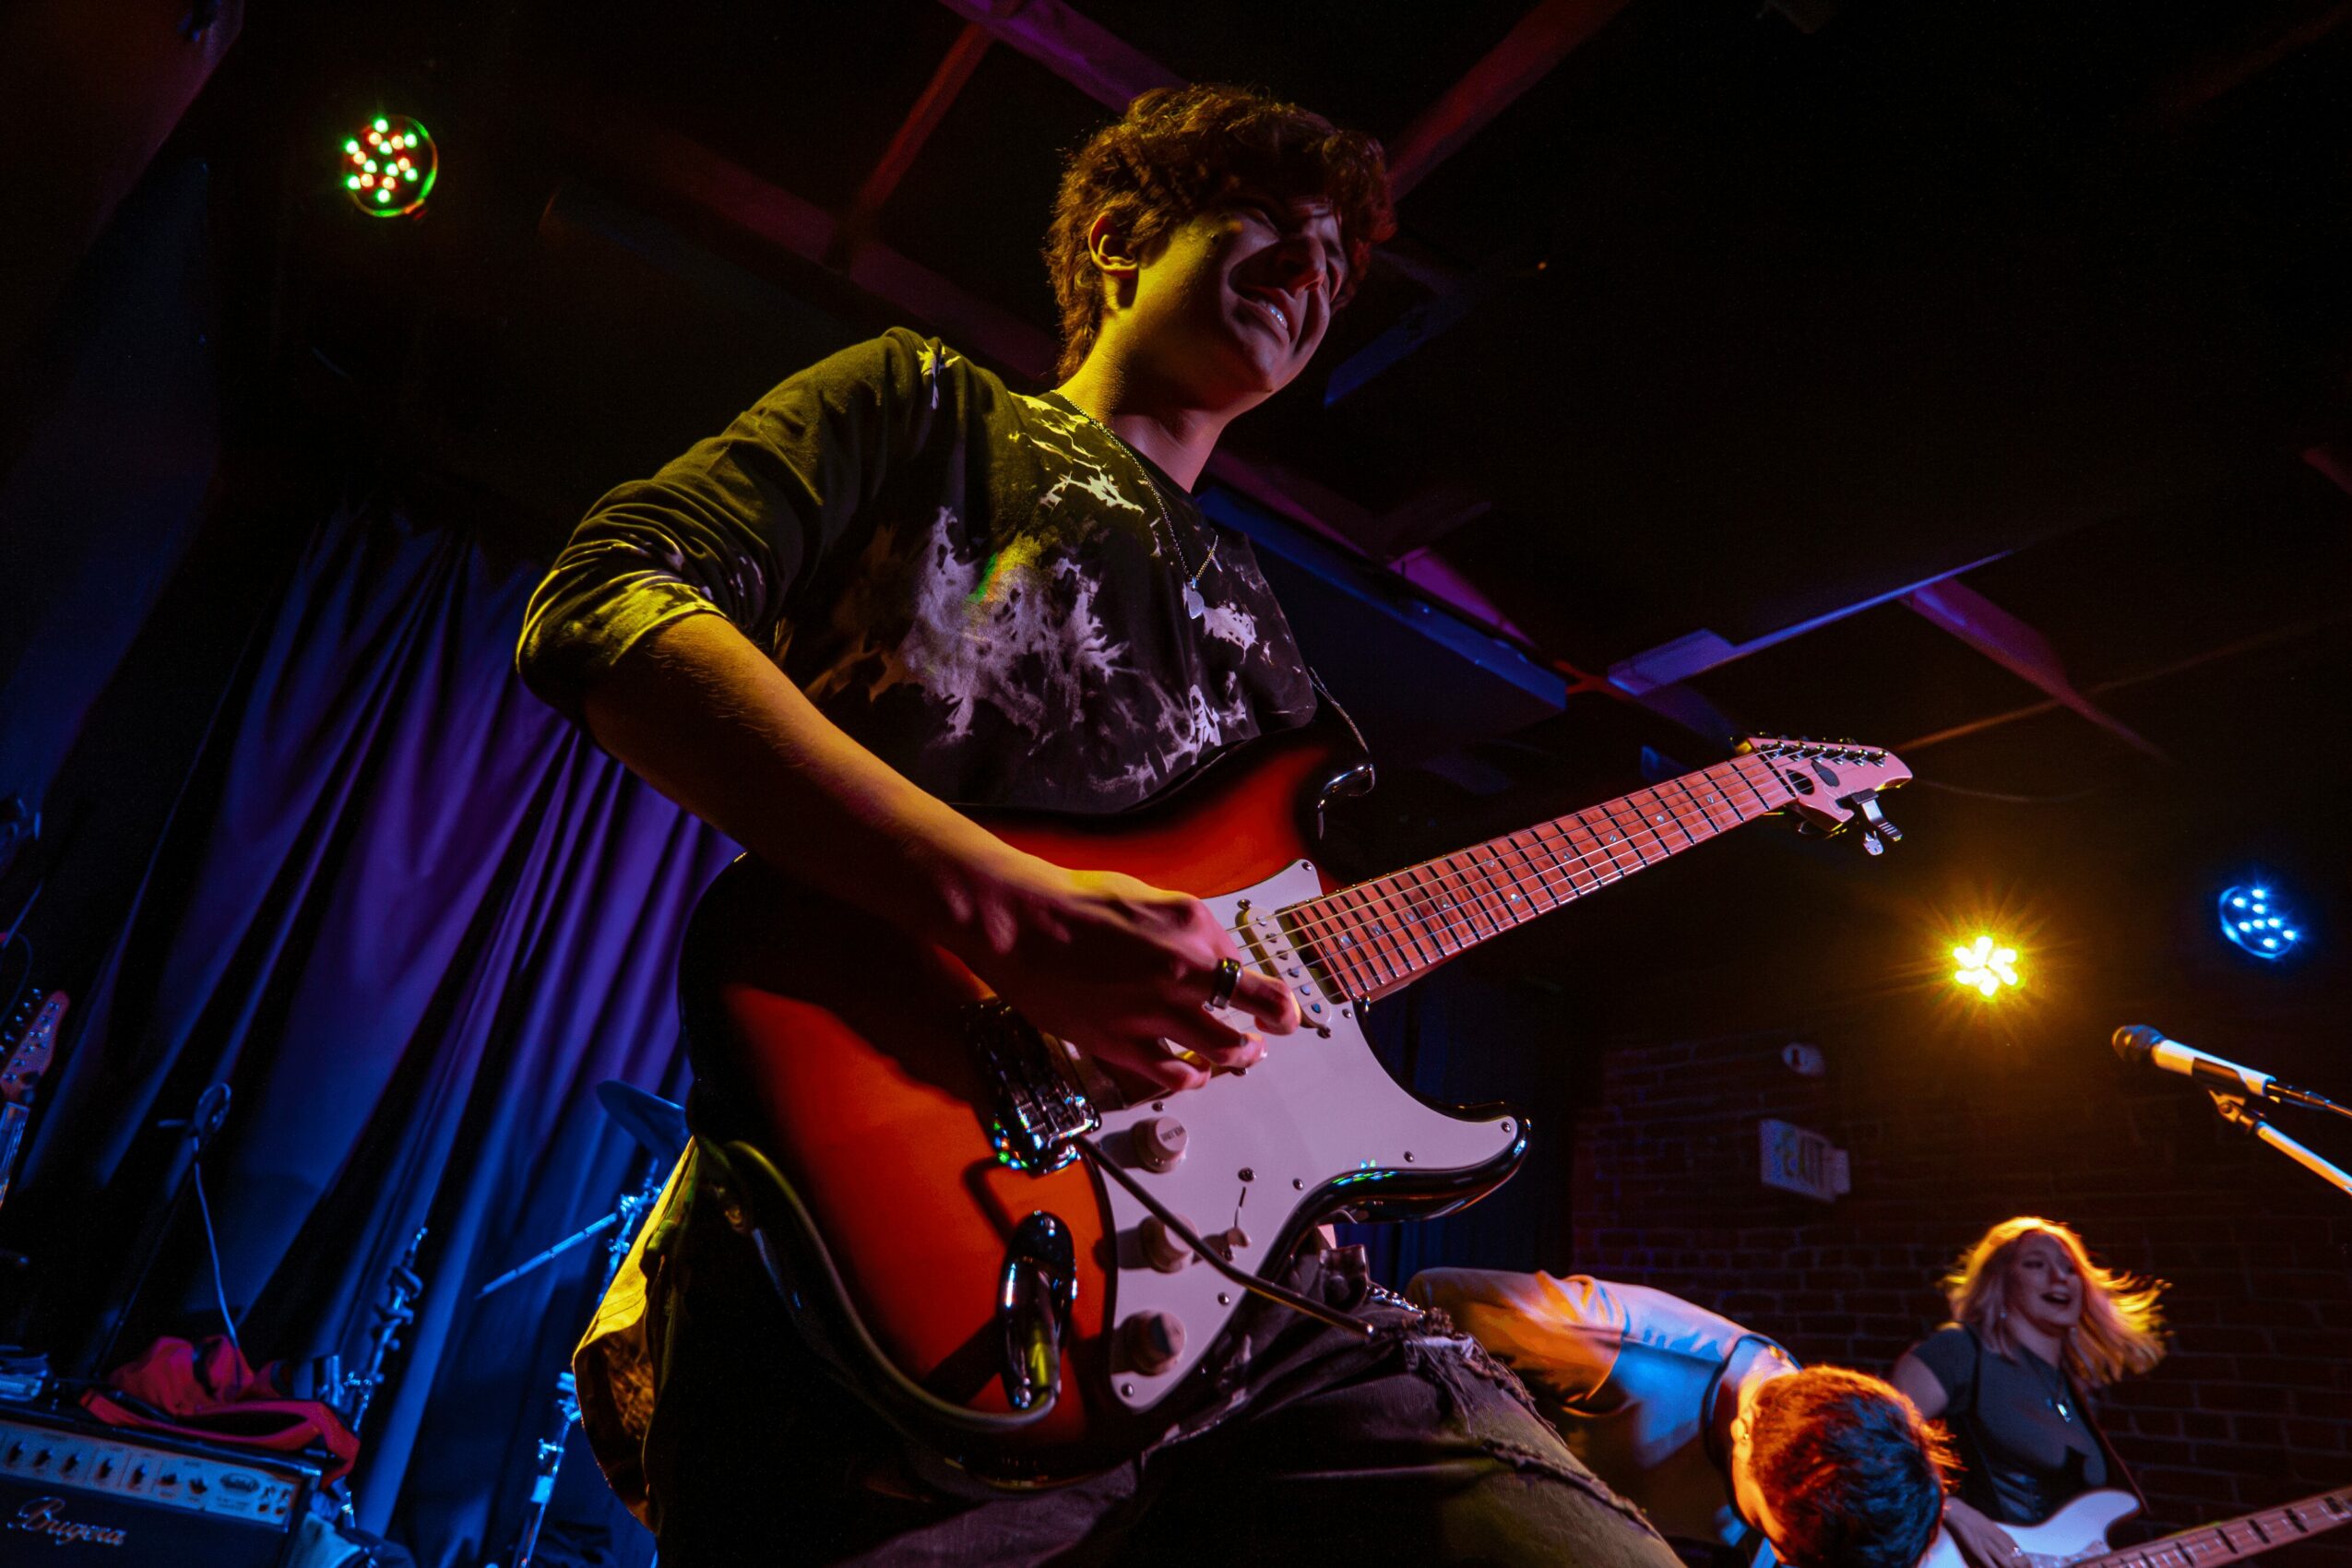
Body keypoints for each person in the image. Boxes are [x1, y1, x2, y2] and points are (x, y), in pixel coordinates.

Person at [519, 83, 1687, 1568]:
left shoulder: (1266, 630)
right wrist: (1006, 913)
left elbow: (1260, 962)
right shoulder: (925, 405)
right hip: (920, 1264)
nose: (1317, 269)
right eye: (1271, 221)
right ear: (1123, 237)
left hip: (1265, 1304)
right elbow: (607, 602)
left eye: (1342, 261)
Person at [1409, 1268, 1955, 1568]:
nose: (1777, 1557)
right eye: (1775, 1538)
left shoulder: (1807, 1432)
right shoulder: (1608, 1345)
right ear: (1745, 1432)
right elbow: (1428, 1297)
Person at [1890, 1218, 2168, 1568]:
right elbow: (1871, 1446)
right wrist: (1949, 1509)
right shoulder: (1959, 1351)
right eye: (2036, 1264)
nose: (2059, 1277)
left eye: (2070, 1268)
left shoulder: (2068, 1386)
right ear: (2000, 1279)